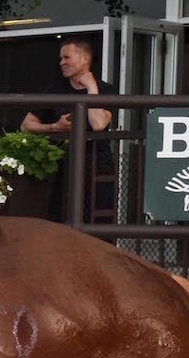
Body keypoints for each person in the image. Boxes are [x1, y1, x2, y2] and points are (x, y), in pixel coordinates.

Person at [24, 34, 120, 222]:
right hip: (61, 171)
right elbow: (26, 126)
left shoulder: (105, 90)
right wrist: (54, 127)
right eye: (61, 58)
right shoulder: (55, 90)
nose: (61, 62)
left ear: (85, 59)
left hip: (96, 170)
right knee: (60, 224)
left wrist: (91, 88)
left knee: (98, 225)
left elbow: (98, 124)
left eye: (67, 57)